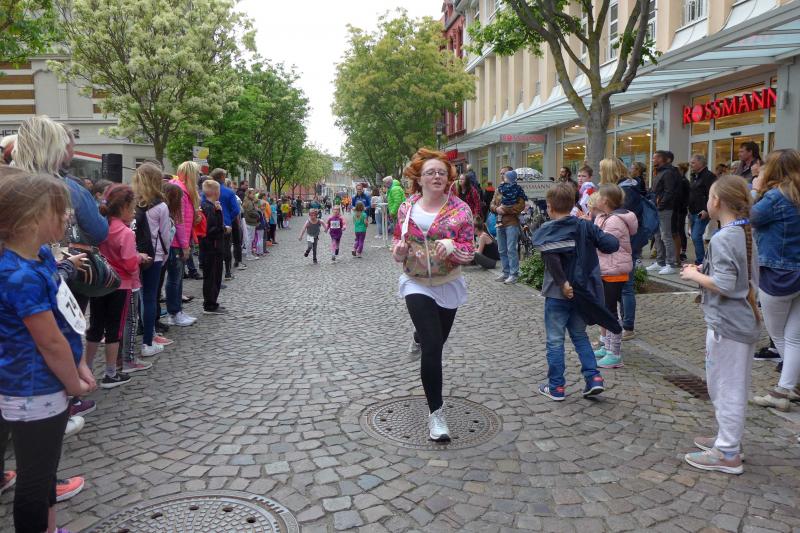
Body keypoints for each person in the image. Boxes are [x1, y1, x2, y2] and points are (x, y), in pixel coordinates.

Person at [0, 170, 95, 533]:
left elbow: (65, 319)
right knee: (35, 480)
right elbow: (49, 341)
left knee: (46, 471)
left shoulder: (39, 256)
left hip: (47, 383)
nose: (68, 216)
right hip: (33, 389)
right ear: (33, 217)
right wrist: (74, 383)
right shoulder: (18, 274)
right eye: (60, 209)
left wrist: (78, 365)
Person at [14, 118, 107, 423]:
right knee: (50, 339)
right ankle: (61, 407)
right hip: (47, 278)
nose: (65, 219)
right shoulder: (58, 187)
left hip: (37, 276)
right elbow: (98, 229)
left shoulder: (11, 181)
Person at [679, 175, 761, 474]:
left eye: (709, 196)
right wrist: (705, 268)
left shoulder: (724, 237)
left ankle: (727, 452)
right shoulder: (740, 232)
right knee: (726, 385)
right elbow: (738, 275)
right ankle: (728, 440)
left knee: (726, 387)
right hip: (737, 322)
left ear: (717, 201)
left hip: (729, 325)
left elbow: (726, 284)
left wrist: (694, 275)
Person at [392, 148, 474, 441]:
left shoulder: (461, 210)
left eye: (442, 172)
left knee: (437, 339)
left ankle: (418, 336)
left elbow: (469, 249)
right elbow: (398, 241)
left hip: (448, 282)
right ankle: (436, 415)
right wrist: (399, 251)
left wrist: (452, 247)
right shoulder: (407, 208)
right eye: (431, 172)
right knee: (433, 347)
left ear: (448, 178)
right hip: (415, 282)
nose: (437, 176)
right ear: (420, 178)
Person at [532, 183, 618, 401]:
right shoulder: (584, 226)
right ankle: (594, 378)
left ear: (549, 207)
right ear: (572, 205)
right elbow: (610, 245)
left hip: (556, 294)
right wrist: (598, 230)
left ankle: (556, 387)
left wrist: (563, 283)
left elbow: (551, 258)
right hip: (582, 293)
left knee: (555, 341)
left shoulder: (548, 230)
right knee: (580, 336)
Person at [84, 184, 151, 387]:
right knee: (114, 330)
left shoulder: (101, 228)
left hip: (99, 284)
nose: (133, 213)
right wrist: (139, 258)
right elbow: (129, 264)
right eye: (131, 208)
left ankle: (86, 369)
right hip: (120, 285)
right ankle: (110, 373)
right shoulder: (126, 232)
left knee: (95, 328)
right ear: (123, 208)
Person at [750, 149, 800, 411]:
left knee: (779, 336)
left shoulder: (774, 197)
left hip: (778, 274)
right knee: (794, 337)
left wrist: (755, 189)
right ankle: (790, 386)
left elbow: (748, 217)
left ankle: (783, 391)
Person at [592, 184, 638, 369]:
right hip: (606, 268)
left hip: (614, 271)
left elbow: (604, 244)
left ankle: (615, 354)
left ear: (605, 200)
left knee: (611, 311)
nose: (595, 199)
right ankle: (607, 346)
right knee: (606, 309)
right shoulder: (603, 217)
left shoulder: (614, 221)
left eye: (598, 196)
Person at [132, 163, 172, 357]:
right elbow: (165, 235)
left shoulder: (131, 202)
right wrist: (165, 256)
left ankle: (143, 336)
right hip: (153, 256)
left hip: (131, 255)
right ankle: (148, 342)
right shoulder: (161, 206)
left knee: (137, 298)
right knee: (149, 298)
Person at [167, 163, 199, 327]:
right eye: (197, 174)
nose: (198, 177)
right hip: (176, 242)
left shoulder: (179, 189)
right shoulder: (181, 191)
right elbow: (179, 220)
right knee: (175, 279)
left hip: (177, 240)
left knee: (176, 278)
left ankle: (176, 311)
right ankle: (174, 313)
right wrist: (185, 244)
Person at [490, 168, 527, 284]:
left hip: (511, 222)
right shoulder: (499, 189)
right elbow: (492, 204)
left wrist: (505, 209)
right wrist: (496, 209)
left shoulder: (517, 189)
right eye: (501, 174)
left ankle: (513, 274)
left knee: (511, 249)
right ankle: (505, 272)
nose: (502, 176)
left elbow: (520, 206)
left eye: (504, 174)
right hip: (499, 223)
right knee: (502, 249)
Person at [647, 150, 681, 275]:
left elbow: (669, 191)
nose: (653, 160)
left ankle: (670, 264)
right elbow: (656, 190)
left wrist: (660, 205)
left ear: (662, 159)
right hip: (657, 207)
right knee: (657, 236)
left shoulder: (668, 172)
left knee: (666, 235)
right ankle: (660, 262)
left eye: (655, 158)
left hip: (664, 209)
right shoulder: (660, 171)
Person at [199, 180, 226, 315]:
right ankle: (210, 304)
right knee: (212, 276)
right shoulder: (209, 208)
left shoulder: (208, 206)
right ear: (215, 192)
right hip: (212, 247)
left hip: (210, 246)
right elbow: (211, 229)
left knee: (213, 276)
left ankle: (212, 302)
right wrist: (223, 229)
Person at [208, 169, 242, 278]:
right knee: (226, 248)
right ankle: (227, 272)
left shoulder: (207, 190)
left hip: (210, 224)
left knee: (213, 249)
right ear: (223, 177)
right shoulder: (229, 192)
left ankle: (213, 275)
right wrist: (229, 219)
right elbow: (236, 210)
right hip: (225, 223)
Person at [687, 154, 717, 266]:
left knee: (696, 236)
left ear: (701, 163)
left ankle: (701, 261)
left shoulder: (709, 176)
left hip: (702, 212)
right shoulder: (695, 176)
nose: (691, 165)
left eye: (693, 163)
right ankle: (701, 260)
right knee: (694, 236)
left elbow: (712, 194)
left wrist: (706, 210)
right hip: (693, 211)